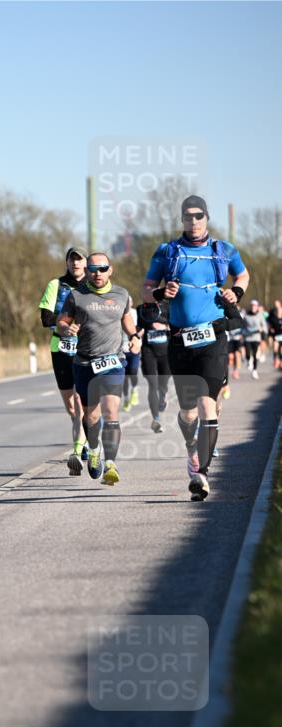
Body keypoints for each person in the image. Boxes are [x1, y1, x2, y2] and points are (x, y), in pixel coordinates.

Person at [143, 195, 249, 501]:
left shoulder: (223, 250)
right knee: (188, 413)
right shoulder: (167, 252)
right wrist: (162, 291)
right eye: (188, 216)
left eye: (198, 215)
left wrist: (236, 292)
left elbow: (242, 274)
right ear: (182, 219)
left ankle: (202, 473)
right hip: (180, 340)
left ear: (206, 217)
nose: (194, 221)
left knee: (208, 405)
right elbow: (146, 289)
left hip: (214, 338)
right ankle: (192, 448)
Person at [57, 252, 138, 486]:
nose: (97, 273)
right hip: (84, 362)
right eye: (93, 269)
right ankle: (94, 451)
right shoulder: (76, 295)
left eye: (102, 268)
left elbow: (126, 318)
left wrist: (134, 336)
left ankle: (111, 464)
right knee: (91, 416)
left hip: (113, 361)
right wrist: (66, 329)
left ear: (110, 270)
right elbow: (62, 321)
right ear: (87, 271)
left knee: (112, 412)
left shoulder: (122, 294)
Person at [38, 247, 89, 474]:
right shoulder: (56, 285)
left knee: (80, 402)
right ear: (67, 262)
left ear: (86, 263)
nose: (76, 264)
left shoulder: (92, 287)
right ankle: (83, 434)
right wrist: (64, 327)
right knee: (70, 405)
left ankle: (78, 448)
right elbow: (45, 317)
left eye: (80, 260)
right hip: (60, 347)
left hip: (86, 347)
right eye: (72, 259)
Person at [136, 300, 170, 432]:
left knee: (163, 383)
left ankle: (163, 394)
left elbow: (175, 325)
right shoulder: (141, 308)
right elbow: (139, 328)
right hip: (148, 350)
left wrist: (164, 327)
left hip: (166, 351)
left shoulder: (167, 306)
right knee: (152, 384)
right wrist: (133, 334)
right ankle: (156, 419)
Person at [122, 295, 142, 412]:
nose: (127, 304)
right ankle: (126, 399)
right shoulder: (118, 313)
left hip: (134, 348)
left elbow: (143, 327)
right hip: (121, 348)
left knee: (133, 372)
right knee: (124, 377)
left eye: (129, 302)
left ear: (132, 303)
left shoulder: (136, 313)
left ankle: (134, 389)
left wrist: (137, 336)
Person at [242, 300, 268, 380]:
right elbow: (242, 327)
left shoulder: (260, 316)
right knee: (248, 354)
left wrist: (263, 332)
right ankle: (248, 360)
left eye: (255, 306)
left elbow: (264, 326)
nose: (253, 307)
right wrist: (244, 332)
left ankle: (254, 370)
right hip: (247, 338)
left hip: (256, 338)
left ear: (257, 307)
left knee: (255, 354)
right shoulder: (246, 316)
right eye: (252, 305)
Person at [267, 299, 282, 369]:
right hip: (276, 333)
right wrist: (270, 328)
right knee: (275, 348)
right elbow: (269, 322)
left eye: (277, 304)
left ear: (280, 304)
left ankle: (281, 361)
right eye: (275, 304)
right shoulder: (272, 312)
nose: (276, 305)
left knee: (281, 350)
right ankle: (275, 360)